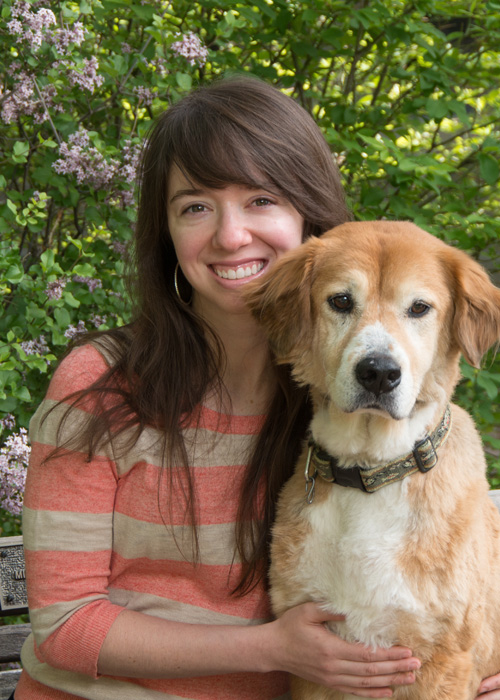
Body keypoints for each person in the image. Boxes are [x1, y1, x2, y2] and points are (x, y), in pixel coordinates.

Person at [15, 76, 500, 700]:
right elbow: (64, 623)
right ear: (165, 231)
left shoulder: (339, 403)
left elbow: (456, 581)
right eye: (195, 206)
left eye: (261, 200)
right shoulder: (102, 384)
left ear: (307, 213)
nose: (231, 235)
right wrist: (272, 648)